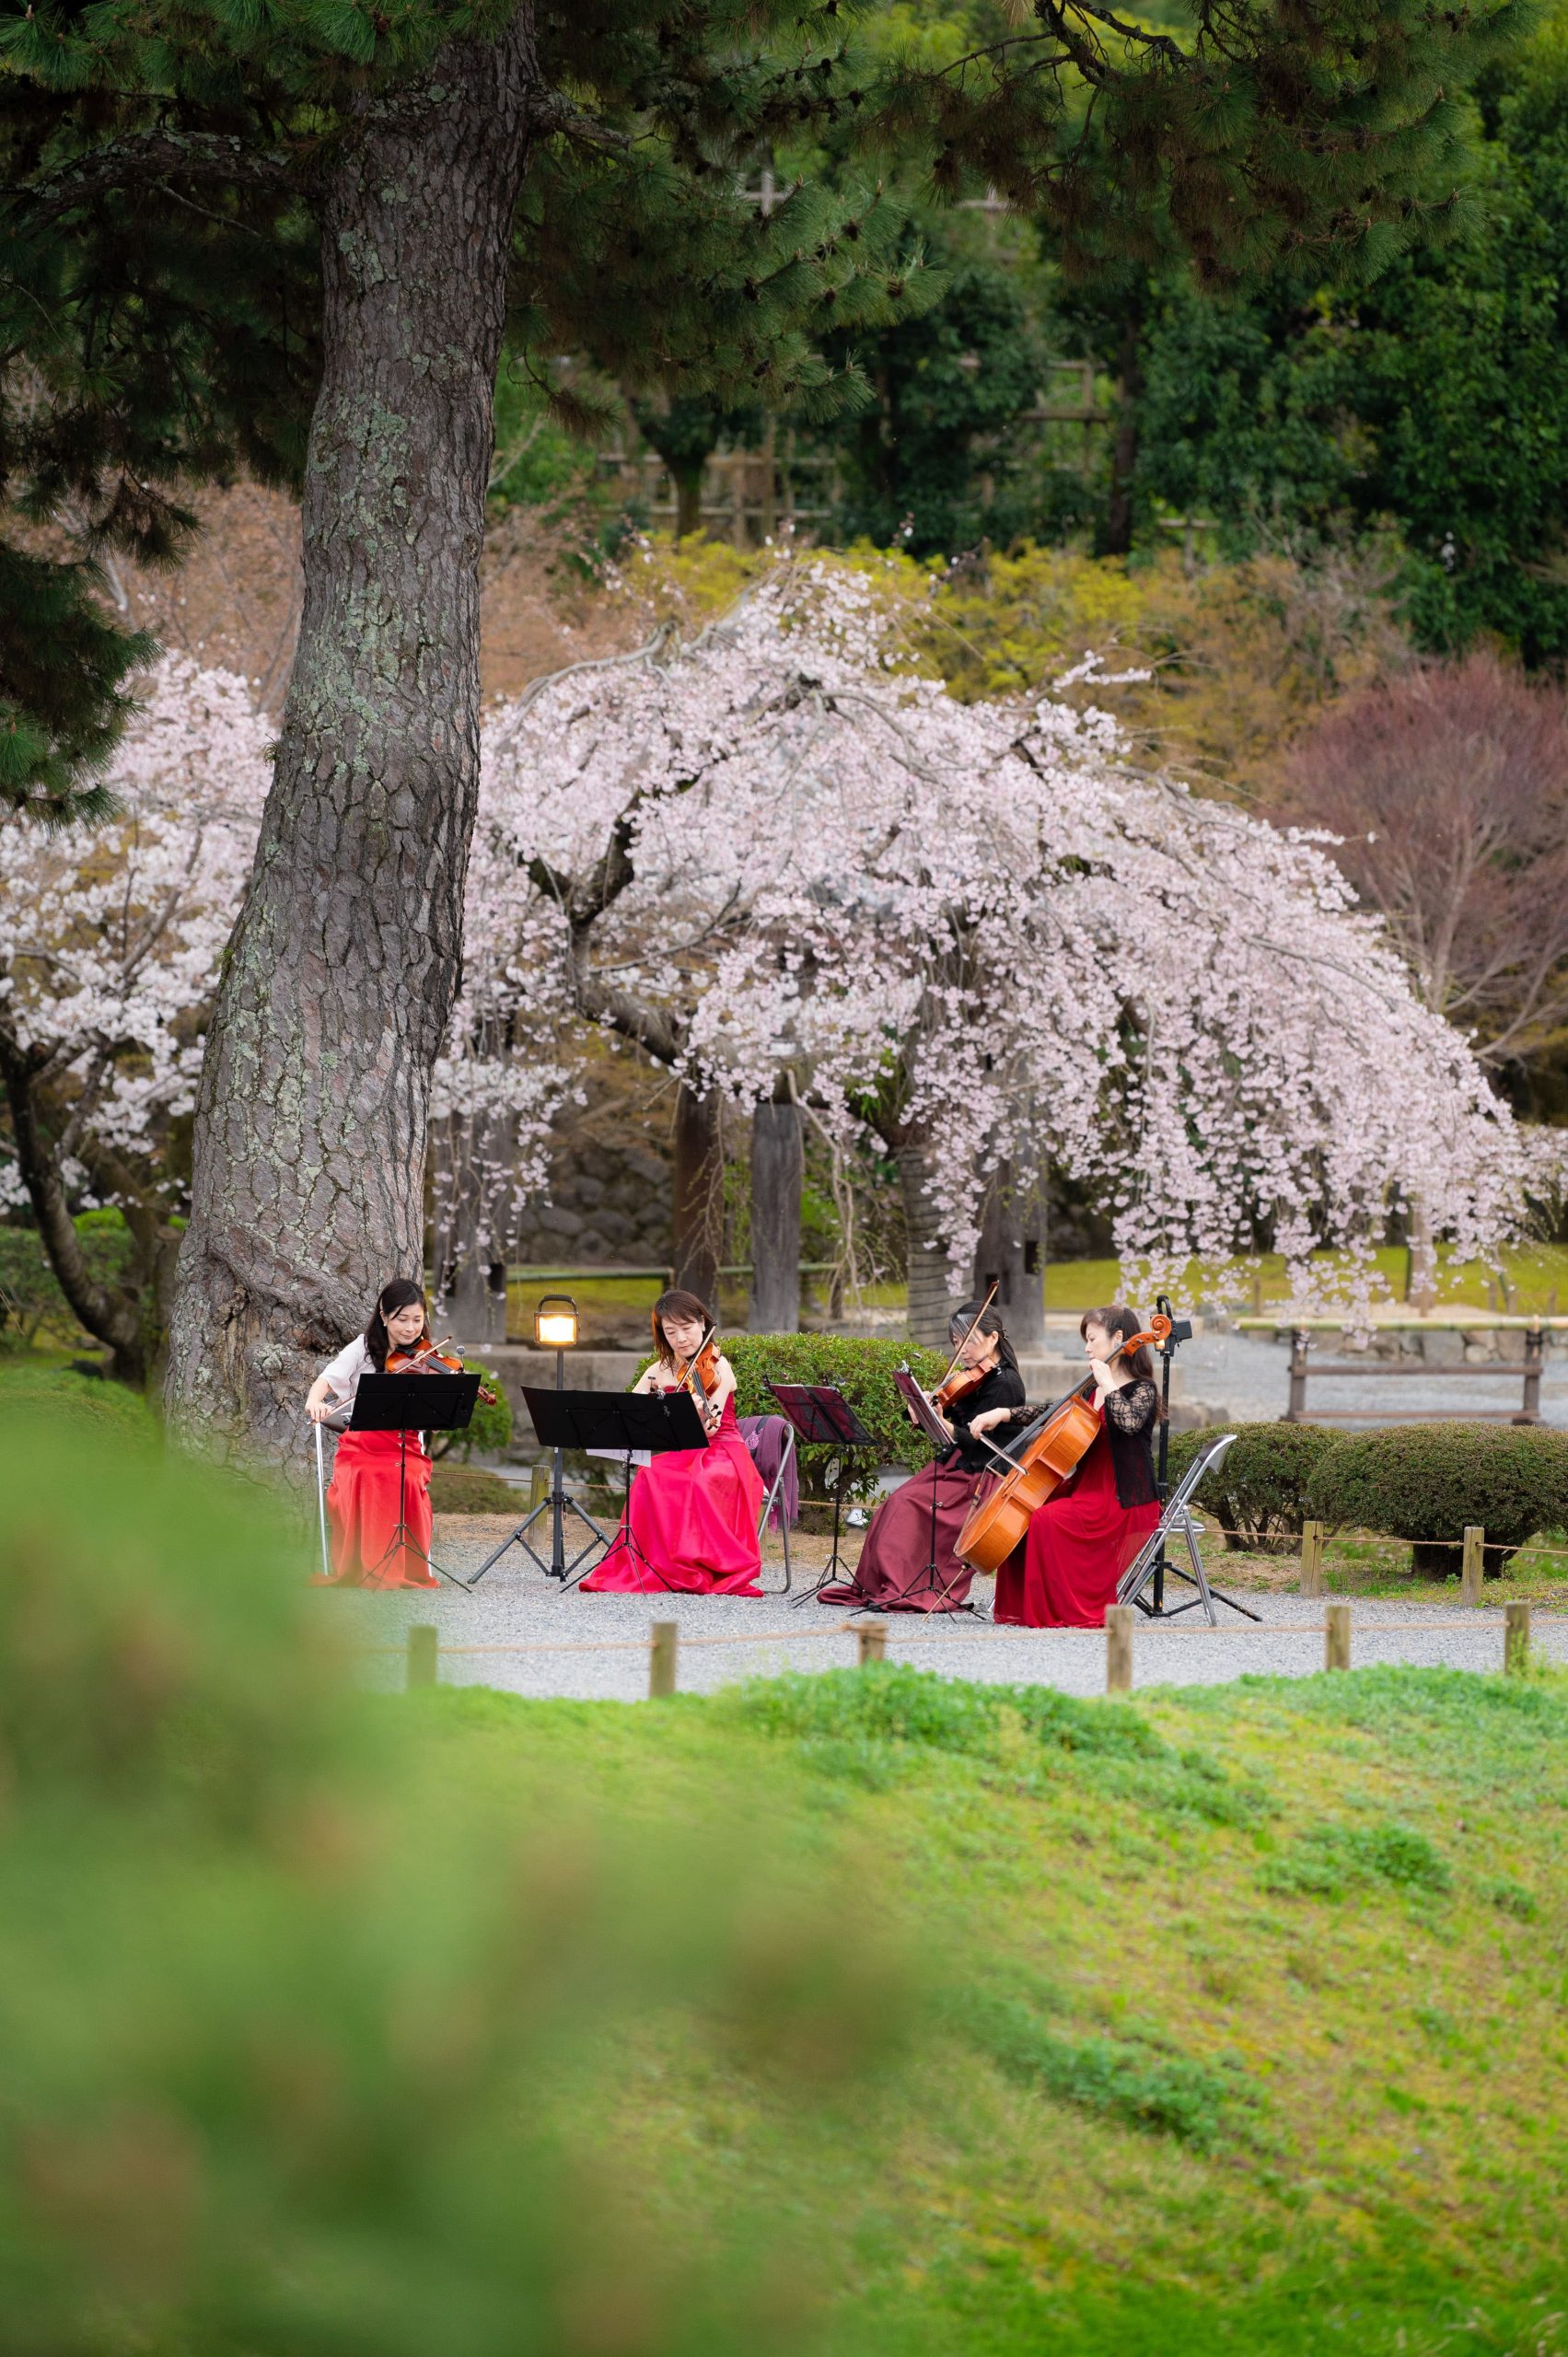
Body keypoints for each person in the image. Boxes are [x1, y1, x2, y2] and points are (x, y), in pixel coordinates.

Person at [817, 1297, 1028, 1613]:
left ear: (993, 1338)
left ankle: (907, 1588)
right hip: (957, 1467)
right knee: (894, 1502)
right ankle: (884, 1584)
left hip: (980, 1478)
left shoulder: (1006, 1384)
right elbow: (951, 1426)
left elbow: (978, 1442)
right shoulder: (973, 1377)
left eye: (969, 1341)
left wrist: (944, 1423)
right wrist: (927, 1409)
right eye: (957, 1342)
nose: (963, 1350)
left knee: (906, 1506)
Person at [579, 1289, 766, 1596]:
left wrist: (693, 1412)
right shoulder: (658, 1370)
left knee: (700, 1479)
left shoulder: (719, 1367)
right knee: (650, 1473)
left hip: (723, 1450)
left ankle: (698, 1565)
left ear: (703, 1325)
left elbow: (710, 1428)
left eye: (687, 1328)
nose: (681, 1338)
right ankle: (658, 1564)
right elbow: (627, 1409)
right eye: (670, 1331)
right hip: (683, 1450)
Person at [993, 1305, 1161, 1628]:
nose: (1086, 1348)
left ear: (1119, 1339)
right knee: (1025, 1511)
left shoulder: (1143, 1390)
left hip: (1121, 1497)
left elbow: (1127, 1423)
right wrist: (1003, 1414)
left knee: (1047, 1520)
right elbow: (1053, 1411)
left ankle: (1065, 1611)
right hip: (1087, 1488)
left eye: (1093, 1339)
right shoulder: (1090, 1389)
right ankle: (1025, 1608)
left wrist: (1107, 1381)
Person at [306, 1278, 438, 1590]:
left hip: (404, 1447)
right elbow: (326, 1379)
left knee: (406, 1475)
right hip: (360, 1446)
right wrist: (315, 1401)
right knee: (366, 1474)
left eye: (417, 1320)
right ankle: (364, 1564)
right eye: (402, 1319)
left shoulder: (426, 1355)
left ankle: (405, 1564)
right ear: (384, 1315)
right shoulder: (363, 1347)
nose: (410, 1328)